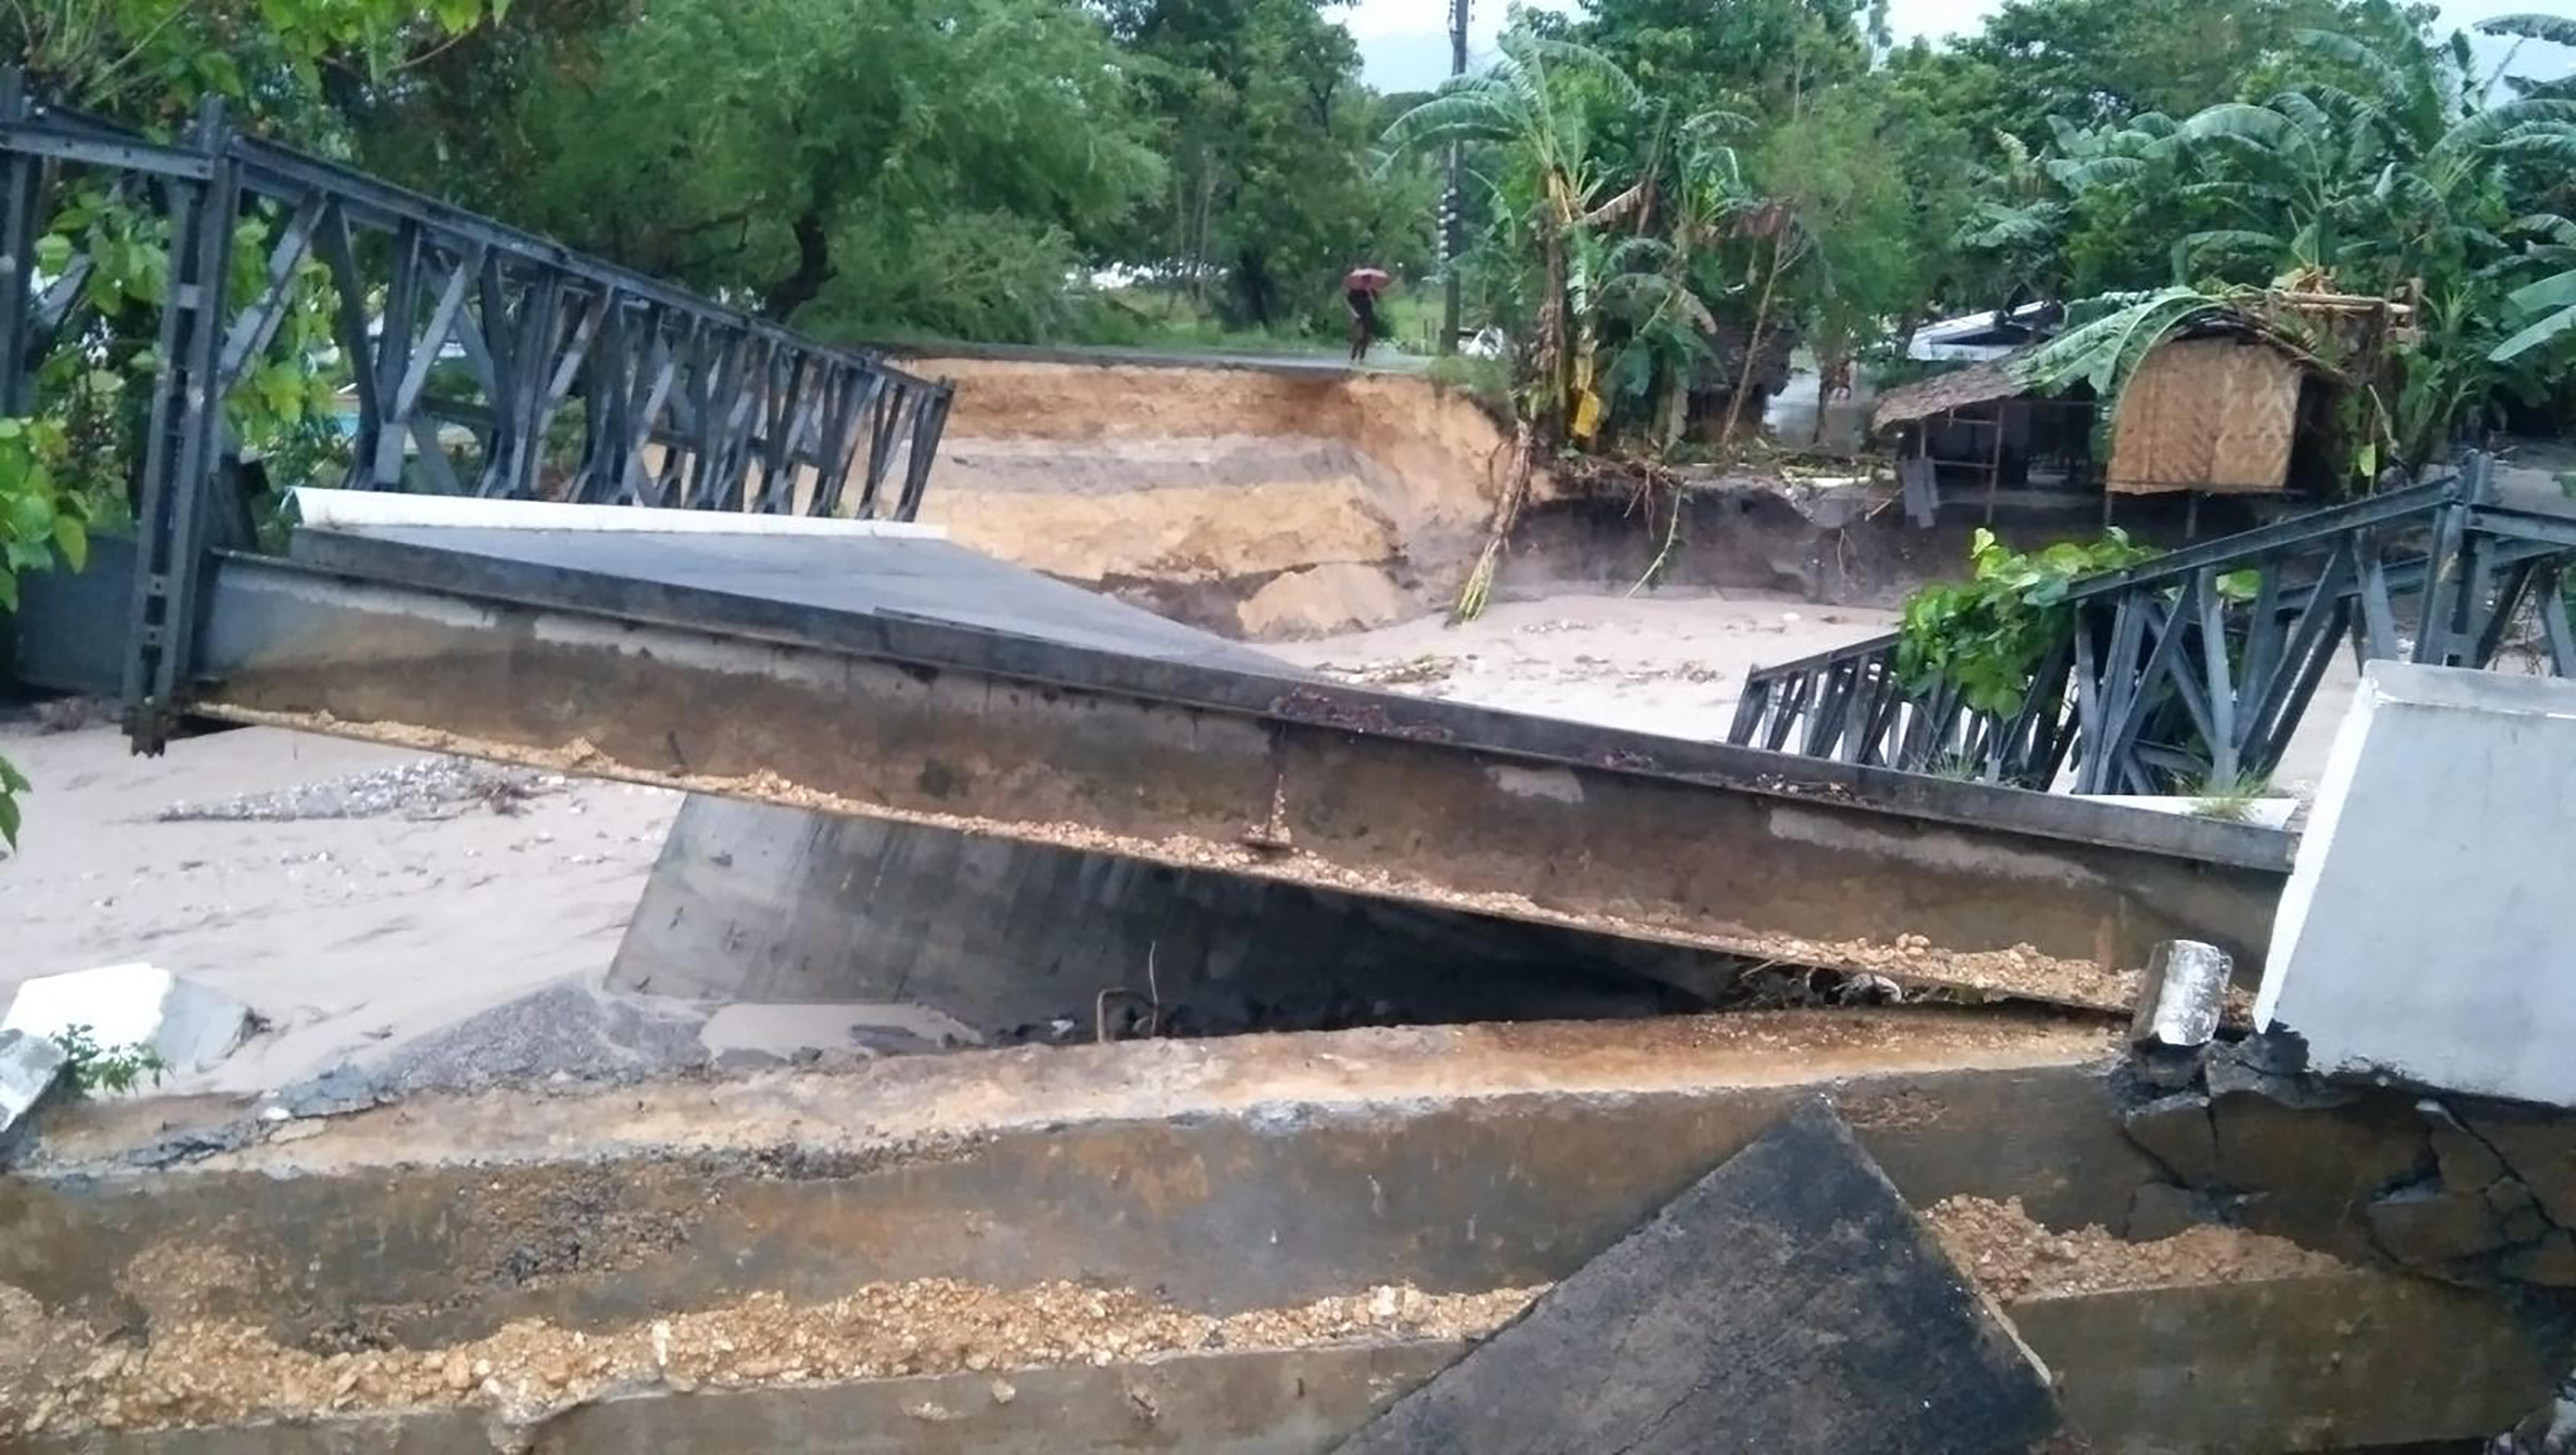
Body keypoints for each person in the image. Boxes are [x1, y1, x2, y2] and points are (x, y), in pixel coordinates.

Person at [1344, 266, 1391, 363]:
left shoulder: (1371, 291)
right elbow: (1348, 302)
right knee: (1358, 337)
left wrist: (1370, 293)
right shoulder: (1355, 291)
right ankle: (1353, 357)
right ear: (1361, 280)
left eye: (1369, 279)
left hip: (1368, 314)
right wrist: (1353, 313)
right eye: (1365, 279)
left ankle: (1362, 358)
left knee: (1366, 337)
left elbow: (1377, 302)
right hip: (1358, 314)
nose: (1367, 281)